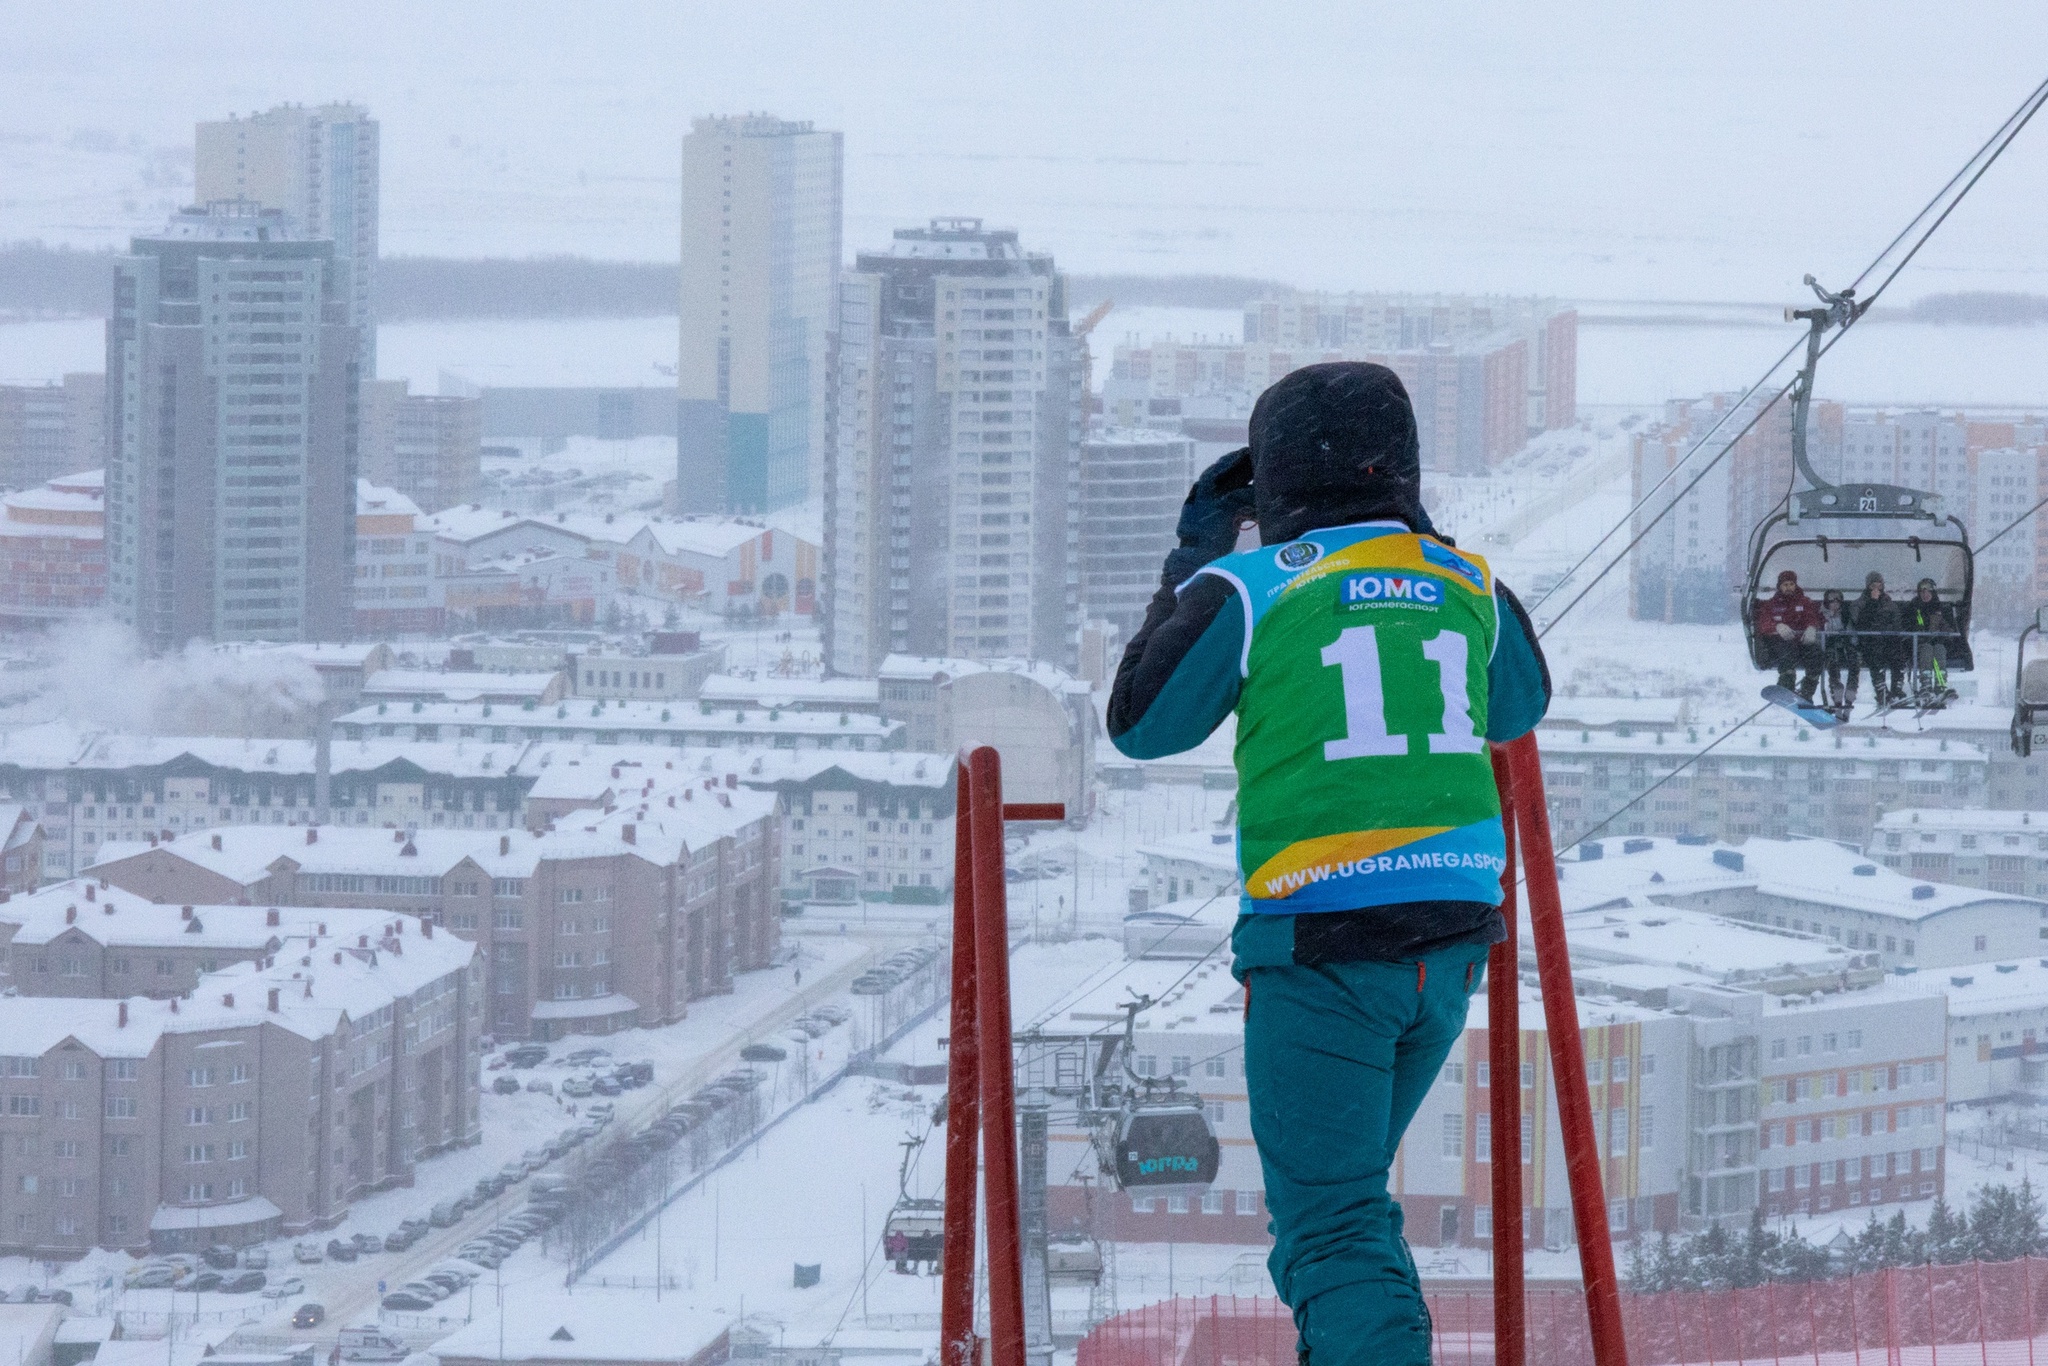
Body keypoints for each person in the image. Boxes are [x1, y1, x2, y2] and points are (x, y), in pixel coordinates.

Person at [1107, 362, 1551, 1366]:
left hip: (1324, 947)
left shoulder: (1253, 587)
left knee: (1331, 1223)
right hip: (1446, 947)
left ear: (1269, 480)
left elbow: (1140, 721)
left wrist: (1193, 560)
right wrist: (1410, 549)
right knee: (1342, 1208)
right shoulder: (1468, 582)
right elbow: (1517, 705)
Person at [1753, 569, 1823, 700]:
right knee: (1787, 655)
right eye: (1785, 585)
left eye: (1791, 584)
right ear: (1780, 586)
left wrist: (1811, 627)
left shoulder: (1804, 602)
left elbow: (1812, 617)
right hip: (1779, 642)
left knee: (1816, 655)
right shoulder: (1771, 605)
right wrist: (1776, 626)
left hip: (1800, 641)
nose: (1788, 587)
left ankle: (1807, 692)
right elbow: (1763, 622)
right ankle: (1786, 685)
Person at [1852, 572, 1906, 707]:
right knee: (1875, 657)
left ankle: (1897, 689)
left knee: (1898, 655)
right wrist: (1872, 603)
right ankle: (1881, 690)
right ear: (1867, 587)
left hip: (1888, 639)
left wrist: (1890, 631)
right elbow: (1860, 623)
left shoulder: (1889, 603)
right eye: (1873, 585)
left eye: (1879, 585)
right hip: (1869, 640)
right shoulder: (1860, 603)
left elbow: (1897, 622)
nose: (1876, 589)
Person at [1905, 577, 1960, 699]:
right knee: (1927, 650)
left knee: (1939, 650)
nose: (1925, 595)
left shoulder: (1940, 609)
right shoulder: (1913, 608)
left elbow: (1948, 627)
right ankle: (1926, 684)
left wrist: (1945, 633)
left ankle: (1941, 685)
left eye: (1928, 591)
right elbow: (1908, 626)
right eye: (1922, 592)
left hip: (1936, 642)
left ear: (1932, 592)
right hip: (1919, 643)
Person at [1818, 588, 1860, 715]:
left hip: (1845, 644)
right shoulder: (1821, 615)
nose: (1835, 602)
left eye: (1838, 599)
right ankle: (1836, 688)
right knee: (1833, 662)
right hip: (1830, 644)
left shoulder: (1845, 614)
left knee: (1854, 662)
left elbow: (1852, 631)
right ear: (1826, 601)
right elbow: (1819, 633)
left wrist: (1852, 641)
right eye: (1831, 599)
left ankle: (1851, 691)